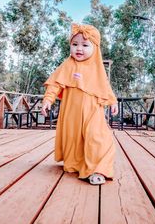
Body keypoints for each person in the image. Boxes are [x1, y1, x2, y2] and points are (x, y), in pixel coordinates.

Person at [41, 23, 118, 185]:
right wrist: (48, 99)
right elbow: (55, 84)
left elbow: (104, 86)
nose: (79, 49)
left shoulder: (97, 68)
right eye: (74, 44)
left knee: (97, 137)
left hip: (93, 110)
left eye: (85, 45)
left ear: (95, 48)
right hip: (72, 112)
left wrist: (112, 101)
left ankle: (98, 169)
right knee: (74, 138)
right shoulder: (68, 65)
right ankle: (76, 164)